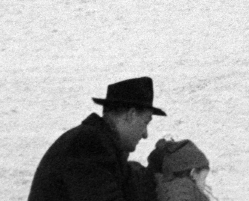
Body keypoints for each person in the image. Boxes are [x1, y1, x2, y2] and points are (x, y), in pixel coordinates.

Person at [27, 77, 163, 200]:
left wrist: (158, 166)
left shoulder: (100, 146)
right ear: (131, 115)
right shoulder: (89, 145)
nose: (145, 134)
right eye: (145, 122)